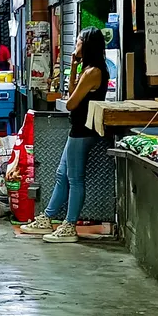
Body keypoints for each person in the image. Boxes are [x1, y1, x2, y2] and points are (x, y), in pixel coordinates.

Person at [21, 27, 109, 243]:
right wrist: (73, 65)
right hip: (77, 129)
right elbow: (71, 93)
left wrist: (77, 72)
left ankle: (69, 226)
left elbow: (70, 103)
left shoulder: (94, 72)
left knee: (75, 179)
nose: (75, 45)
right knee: (62, 175)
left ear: (87, 45)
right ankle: (48, 217)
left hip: (84, 131)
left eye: (78, 42)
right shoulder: (87, 69)